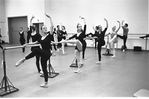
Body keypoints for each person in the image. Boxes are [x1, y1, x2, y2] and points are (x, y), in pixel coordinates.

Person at [15, 14, 54, 88]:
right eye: (44, 28)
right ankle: (46, 83)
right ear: (42, 30)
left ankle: (23, 59)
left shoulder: (49, 36)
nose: (46, 29)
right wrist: (26, 44)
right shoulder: (40, 38)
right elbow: (34, 43)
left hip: (47, 53)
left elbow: (52, 27)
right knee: (44, 68)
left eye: (46, 28)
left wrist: (50, 18)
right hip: (43, 54)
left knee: (36, 49)